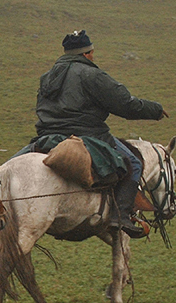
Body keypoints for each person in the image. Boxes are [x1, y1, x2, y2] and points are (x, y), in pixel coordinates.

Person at [34, 30, 168, 238]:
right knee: (133, 163)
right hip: (86, 134)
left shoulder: (48, 77)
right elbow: (124, 104)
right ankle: (120, 216)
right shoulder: (92, 75)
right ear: (87, 53)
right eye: (92, 52)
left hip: (47, 135)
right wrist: (155, 110)